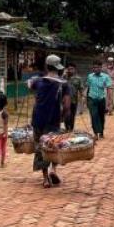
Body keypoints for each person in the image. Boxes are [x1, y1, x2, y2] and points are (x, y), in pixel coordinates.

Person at [29, 55, 72, 188]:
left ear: (47, 67)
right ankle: (53, 169)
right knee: (54, 146)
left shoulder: (39, 81)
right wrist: (63, 117)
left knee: (41, 147)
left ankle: (45, 178)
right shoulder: (64, 84)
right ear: (58, 68)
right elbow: (66, 105)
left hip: (37, 119)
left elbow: (30, 85)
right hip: (53, 120)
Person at [85, 61, 113, 139]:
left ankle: (101, 132)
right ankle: (95, 133)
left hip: (101, 99)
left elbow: (109, 89)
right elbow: (87, 87)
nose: (96, 69)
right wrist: (84, 98)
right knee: (94, 115)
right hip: (91, 98)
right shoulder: (90, 76)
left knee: (101, 116)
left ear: (101, 68)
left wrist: (109, 102)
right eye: (94, 67)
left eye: (97, 67)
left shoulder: (106, 77)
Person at [64, 64, 84, 132]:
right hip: (65, 101)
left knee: (72, 115)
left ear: (75, 69)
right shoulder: (64, 77)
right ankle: (67, 129)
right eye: (69, 69)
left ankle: (71, 129)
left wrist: (82, 100)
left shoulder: (78, 79)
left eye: (72, 69)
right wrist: (65, 76)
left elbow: (81, 89)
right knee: (66, 115)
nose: (70, 70)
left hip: (74, 100)